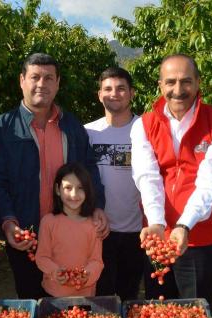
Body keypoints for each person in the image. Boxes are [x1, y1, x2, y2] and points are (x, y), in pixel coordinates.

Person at [0, 53, 107, 300]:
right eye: (35, 77)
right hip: (25, 232)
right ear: (22, 80)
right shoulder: (1, 128)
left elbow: (89, 170)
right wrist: (8, 221)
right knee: (32, 300)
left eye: (49, 78)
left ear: (58, 83)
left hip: (69, 232)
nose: (42, 84)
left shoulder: (72, 126)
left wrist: (97, 208)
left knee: (72, 298)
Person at [130, 54, 212, 308]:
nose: (178, 90)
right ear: (160, 85)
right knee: (159, 307)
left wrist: (184, 225)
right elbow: (148, 177)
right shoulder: (144, 125)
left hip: (200, 236)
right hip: (158, 236)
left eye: (186, 81)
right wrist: (157, 222)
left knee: (196, 309)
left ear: (198, 82)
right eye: (170, 82)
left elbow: (211, 182)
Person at [84, 67, 146, 301]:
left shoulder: (145, 129)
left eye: (121, 88)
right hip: (100, 230)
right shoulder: (88, 132)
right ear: (99, 94)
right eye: (108, 88)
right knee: (102, 295)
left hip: (137, 230)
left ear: (131, 93)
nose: (114, 93)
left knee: (130, 294)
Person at [35, 162, 103, 297]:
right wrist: (56, 272)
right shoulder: (48, 222)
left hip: (85, 295)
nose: (74, 194)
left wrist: (87, 275)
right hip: (53, 293)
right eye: (68, 188)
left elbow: (96, 261)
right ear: (57, 190)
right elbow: (42, 257)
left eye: (80, 188)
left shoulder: (93, 225)